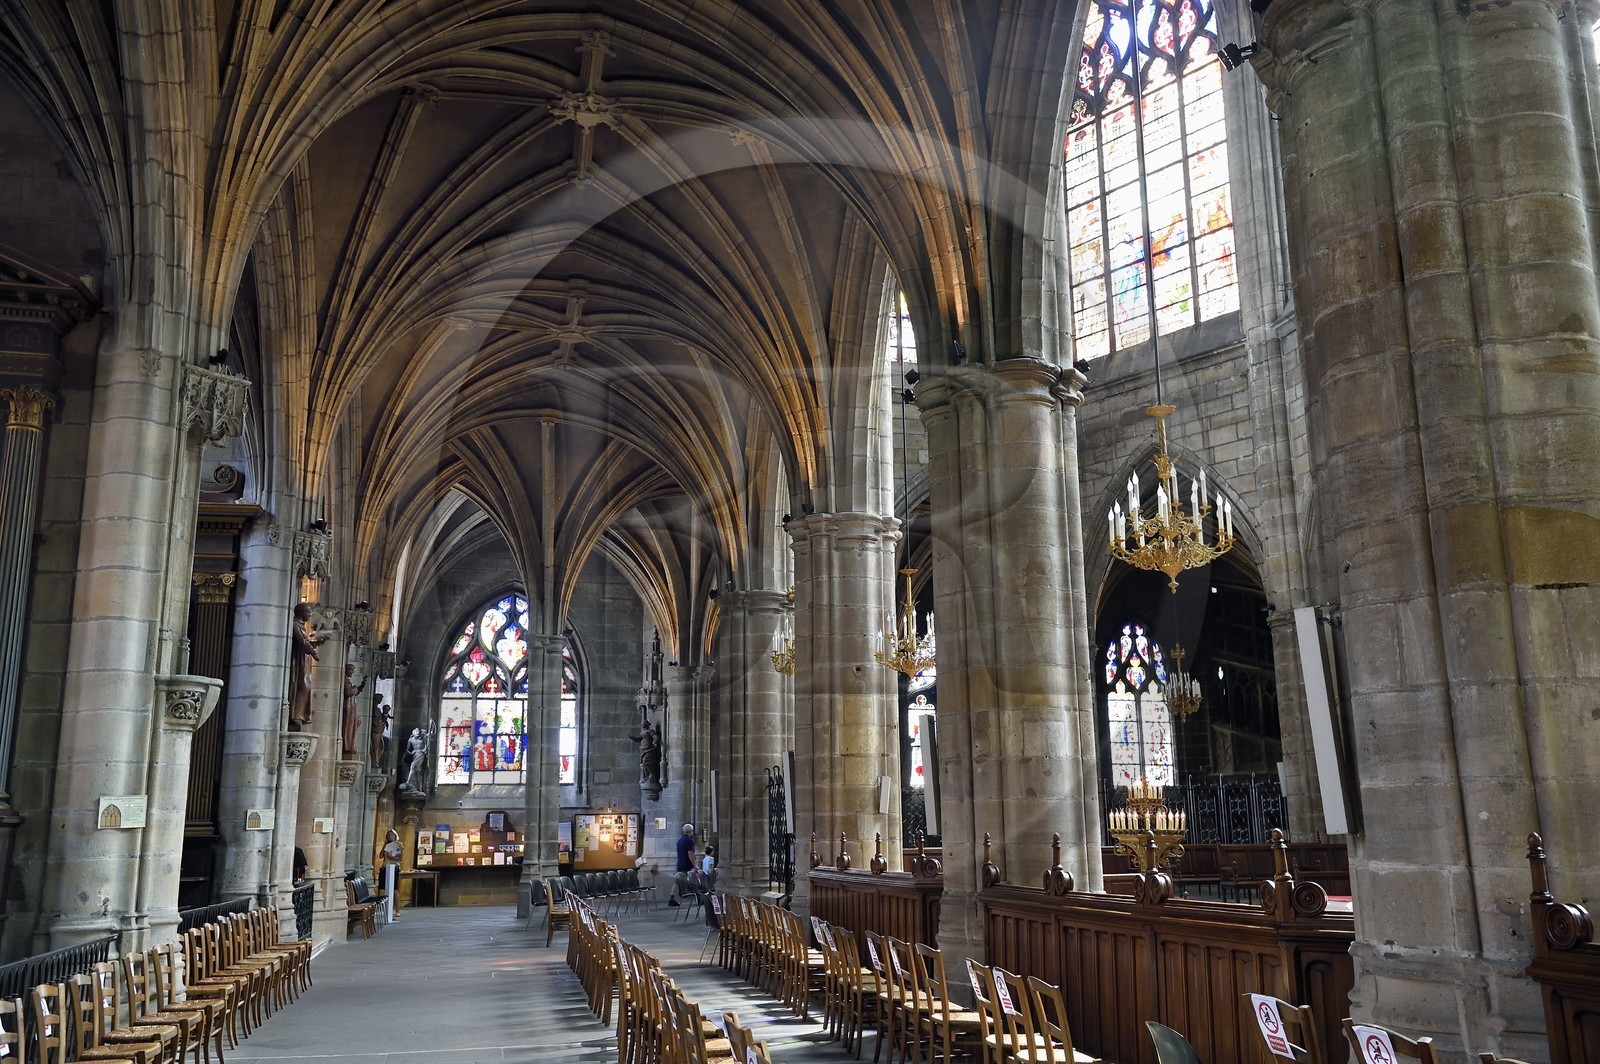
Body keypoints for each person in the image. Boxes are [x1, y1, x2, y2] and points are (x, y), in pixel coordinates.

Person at [287, 603, 324, 731]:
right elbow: (301, 642)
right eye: (308, 612)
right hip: (298, 661)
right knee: (301, 686)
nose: (310, 614)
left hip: (304, 660)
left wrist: (316, 643)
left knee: (306, 687)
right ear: (302, 612)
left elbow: (305, 642)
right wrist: (312, 651)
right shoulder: (295, 625)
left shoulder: (301, 626)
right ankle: (296, 715)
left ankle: (301, 714)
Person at [340, 663, 365, 758]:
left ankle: (350, 745)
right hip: (348, 709)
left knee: (354, 725)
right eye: (351, 670)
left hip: (352, 709)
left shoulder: (348, 682)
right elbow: (349, 692)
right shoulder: (345, 681)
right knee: (348, 728)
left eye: (353, 671)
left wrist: (360, 687)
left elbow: (353, 693)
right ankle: (347, 746)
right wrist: (355, 688)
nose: (352, 672)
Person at [668, 822, 694, 907]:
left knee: (677, 882)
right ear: (690, 831)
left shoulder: (680, 840)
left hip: (680, 863)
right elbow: (690, 854)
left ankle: (672, 898)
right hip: (686, 864)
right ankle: (698, 897)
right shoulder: (689, 841)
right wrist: (695, 864)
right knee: (693, 879)